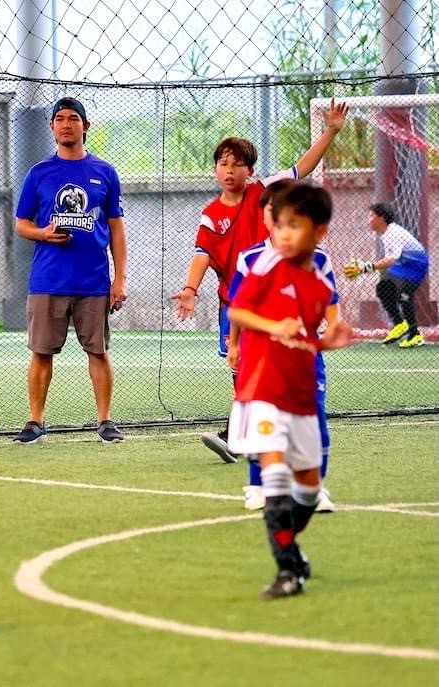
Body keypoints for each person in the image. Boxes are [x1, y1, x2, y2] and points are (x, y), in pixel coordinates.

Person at [171, 98, 349, 464]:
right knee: (241, 367)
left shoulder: (262, 193)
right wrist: (189, 290)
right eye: (223, 163)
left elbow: (302, 168)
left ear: (250, 171)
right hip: (234, 306)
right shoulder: (210, 214)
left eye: (238, 164)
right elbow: (202, 254)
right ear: (215, 170)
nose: (230, 170)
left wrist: (331, 130)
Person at [226, 183, 353, 599]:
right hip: (262, 389)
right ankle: (286, 572)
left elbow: (307, 338)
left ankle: (290, 548)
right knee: (274, 474)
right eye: (279, 224)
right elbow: (237, 310)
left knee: (309, 489)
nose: (282, 233)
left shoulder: (317, 284)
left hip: (299, 394)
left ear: (319, 232)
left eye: (293, 226)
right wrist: (267, 327)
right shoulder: (264, 267)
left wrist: (326, 342)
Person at [12, 96, 128, 444]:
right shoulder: (39, 173)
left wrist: (118, 279)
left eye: (73, 118)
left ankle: (105, 421)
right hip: (48, 280)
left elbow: (116, 228)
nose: (66, 124)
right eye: (59, 118)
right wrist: (42, 233)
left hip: (93, 280)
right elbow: (21, 224)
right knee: (41, 352)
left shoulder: (105, 172)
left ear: (85, 126)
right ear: (51, 127)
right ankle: (35, 422)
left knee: (98, 351)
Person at [227, 180, 337, 513]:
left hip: (304, 357)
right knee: (265, 422)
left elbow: (331, 302)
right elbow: (239, 306)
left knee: (315, 417)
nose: (277, 219)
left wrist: (333, 329)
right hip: (262, 358)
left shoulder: (319, 259)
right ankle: (258, 486)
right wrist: (233, 345)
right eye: (272, 212)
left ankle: (314, 487)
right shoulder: (252, 259)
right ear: (266, 217)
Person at [342, 202, 429, 348]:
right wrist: (371, 269)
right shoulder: (386, 233)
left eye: (371, 216)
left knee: (404, 295)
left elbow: (391, 260)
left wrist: (365, 267)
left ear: (381, 218)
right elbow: (390, 261)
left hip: (416, 266)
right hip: (403, 264)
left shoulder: (393, 233)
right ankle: (400, 324)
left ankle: (415, 335)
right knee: (383, 287)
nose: (368, 219)